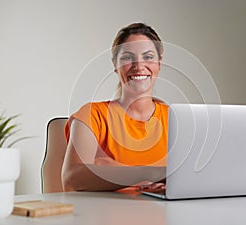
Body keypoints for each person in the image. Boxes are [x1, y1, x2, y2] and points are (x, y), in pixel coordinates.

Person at [62, 23, 168, 192]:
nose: (139, 66)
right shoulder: (92, 115)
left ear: (159, 63)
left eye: (148, 57)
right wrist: (150, 173)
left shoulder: (175, 119)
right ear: (115, 64)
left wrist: (114, 170)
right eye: (127, 57)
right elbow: (72, 177)